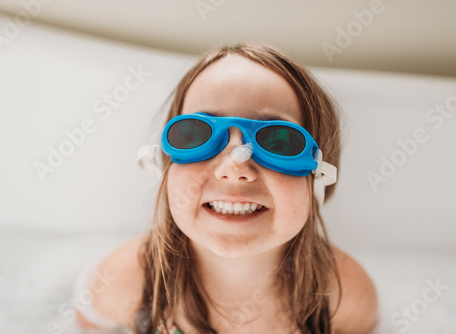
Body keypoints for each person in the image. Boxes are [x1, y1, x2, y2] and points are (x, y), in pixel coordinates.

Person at [74, 43, 378, 334]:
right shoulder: (127, 281)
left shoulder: (342, 294)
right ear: (163, 165)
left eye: (279, 141)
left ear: (320, 178)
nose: (234, 168)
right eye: (195, 135)